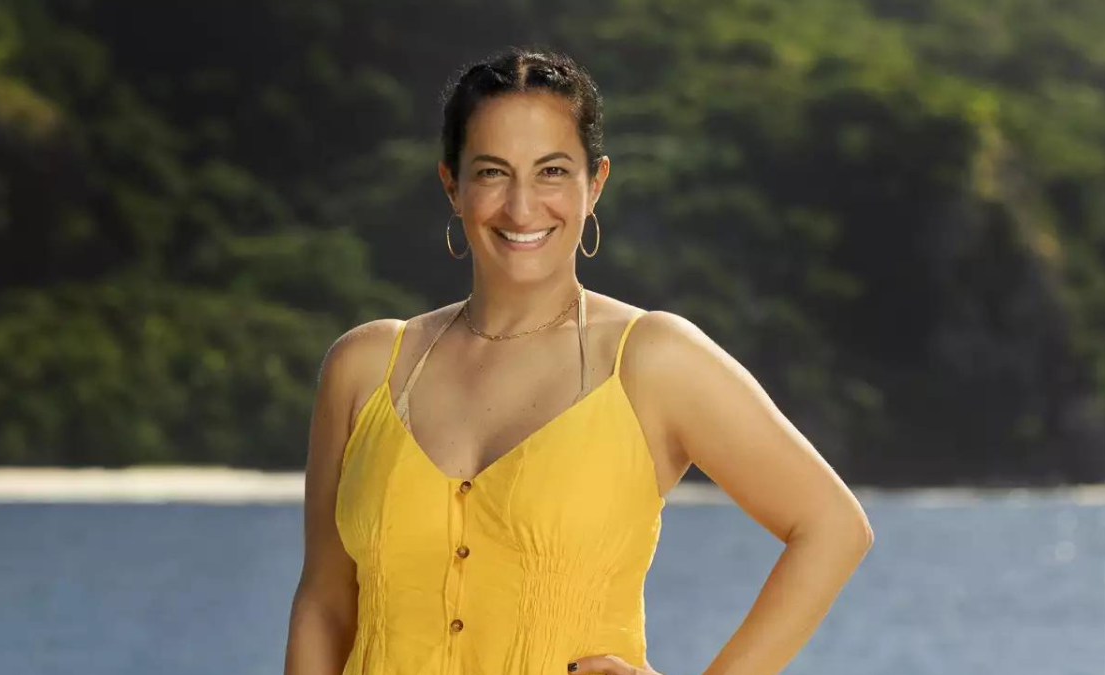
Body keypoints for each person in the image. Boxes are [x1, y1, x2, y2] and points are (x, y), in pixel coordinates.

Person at [285, 45, 873, 675]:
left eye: (552, 171)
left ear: (596, 184)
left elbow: (832, 527)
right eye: (492, 172)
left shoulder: (651, 360)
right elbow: (324, 604)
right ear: (452, 184)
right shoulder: (366, 367)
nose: (521, 207)